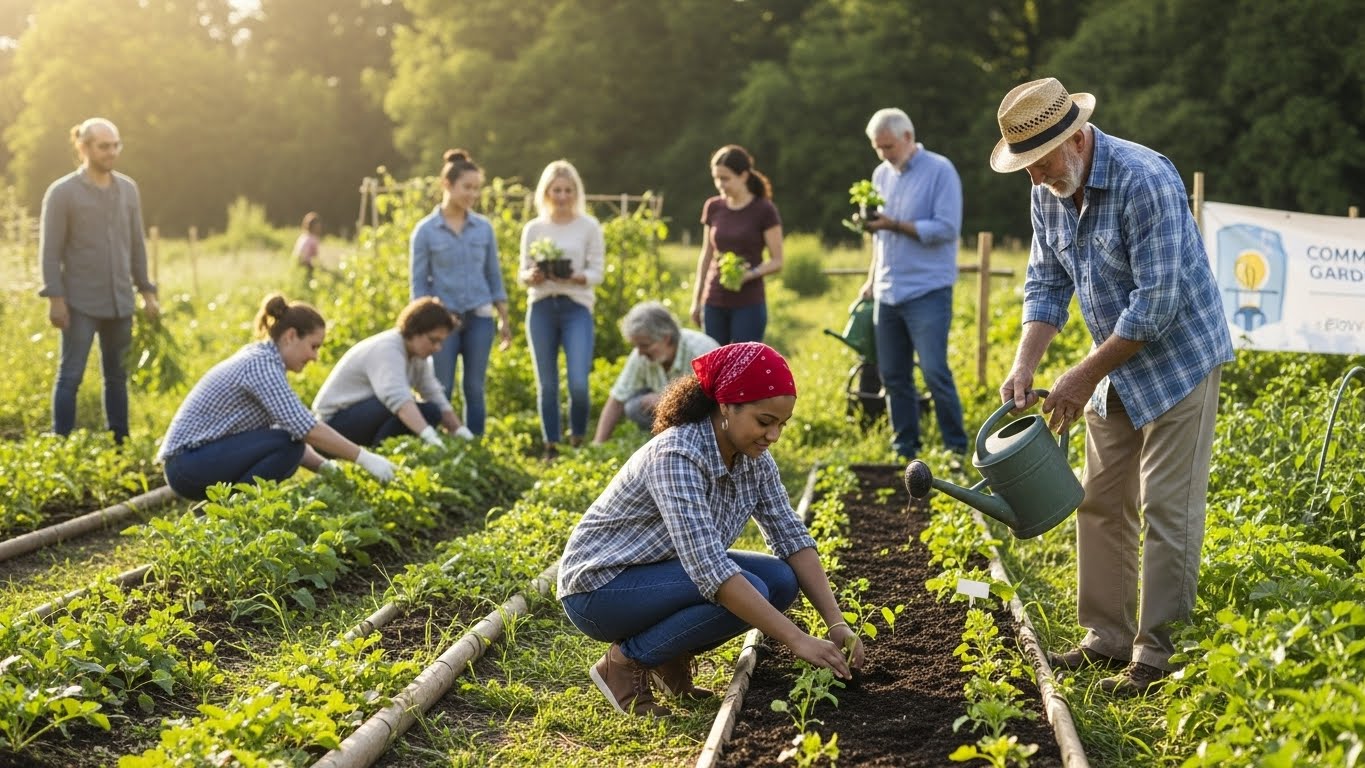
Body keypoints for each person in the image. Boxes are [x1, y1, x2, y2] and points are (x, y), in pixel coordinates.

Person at [989, 78, 1233, 695]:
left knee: (1166, 507)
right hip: (1111, 363)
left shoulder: (1144, 179)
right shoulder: (1049, 190)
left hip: (1178, 360)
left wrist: (1079, 374)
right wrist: (1026, 363)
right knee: (1100, 499)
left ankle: (1157, 653)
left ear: (1074, 139)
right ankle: (1106, 637)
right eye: (1026, 168)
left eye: (1040, 163)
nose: (1036, 177)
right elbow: (1045, 284)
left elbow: (1156, 306)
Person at [559, 342, 865, 717]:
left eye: (781, 425)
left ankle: (667, 657)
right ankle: (624, 664)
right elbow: (710, 571)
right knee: (749, 587)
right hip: (599, 589)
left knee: (781, 579)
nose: (773, 436)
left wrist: (836, 622)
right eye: (764, 422)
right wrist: (797, 640)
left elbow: (791, 536)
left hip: (661, 572)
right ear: (726, 405)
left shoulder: (754, 461)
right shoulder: (677, 455)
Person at [158, 294, 397, 501]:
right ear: (291, 336)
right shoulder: (261, 366)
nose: (315, 357)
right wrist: (364, 458)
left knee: (287, 443)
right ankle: (230, 512)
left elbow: (290, 430)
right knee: (287, 444)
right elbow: (305, 430)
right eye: (314, 346)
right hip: (186, 464)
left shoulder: (266, 361)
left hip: (194, 461)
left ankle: (222, 511)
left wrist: (328, 469)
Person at [38, 117, 159, 443]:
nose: (112, 152)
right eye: (104, 146)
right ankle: (60, 443)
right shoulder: (62, 193)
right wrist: (56, 299)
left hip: (120, 300)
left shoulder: (128, 190)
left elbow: (136, 244)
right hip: (79, 303)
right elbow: (50, 252)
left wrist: (146, 291)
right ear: (84, 147)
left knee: (117, 377)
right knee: (71, 375)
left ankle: (120, 441)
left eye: (116, 145)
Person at [858, 108, 968, 461]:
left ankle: (955, 447)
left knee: (935, 371)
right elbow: (880, 239)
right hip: (888, 291)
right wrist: (872, 279)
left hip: (927, 290)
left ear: (907, 137)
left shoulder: (940, 170)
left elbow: (947, 228)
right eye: (878, 148)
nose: (883, 154)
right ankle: (905, 447)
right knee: (893, 375)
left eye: (888, 146)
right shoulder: (880, 175)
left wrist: (895, 224)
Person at [410, 149, 512, 436]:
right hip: (443, 321)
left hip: (480, 315)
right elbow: (419, 285)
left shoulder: (484, 228)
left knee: (474, 387)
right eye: (467, 187)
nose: (472, 194)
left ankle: (473, 445)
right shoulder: (426, 231)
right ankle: (436, 442)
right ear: (447, 185)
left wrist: (504, 318)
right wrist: (424, 324)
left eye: (476, 188)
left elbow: (493, 275)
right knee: (439, 385)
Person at [518, 160, 605, 460]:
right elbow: (523, 272)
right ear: (546, 192)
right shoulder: (534, 228)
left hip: (576, 307)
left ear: (576, 192)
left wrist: (576, 277)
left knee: (579, 382)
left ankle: (578, 438)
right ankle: (551, 445)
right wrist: (533, 276)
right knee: (547, 382)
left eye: (568, 190)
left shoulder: (589, 226)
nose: (563, 196)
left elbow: (597, 272)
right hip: (541, 306)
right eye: (557, 190)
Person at [312, 297, 475, 448]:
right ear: (415, 330)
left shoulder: (418, 357)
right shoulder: (388, 349)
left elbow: (433, 394)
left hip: (362, 416)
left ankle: (386, 456)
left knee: (431, 411)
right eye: (433, 340)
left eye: (441, 342)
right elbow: (397, 399)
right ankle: (382, 456)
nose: (437, 348)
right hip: (331, 425)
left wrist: (460, 431)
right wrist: (429, 436)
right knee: (396, 406)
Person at [689, 145, 783, 345]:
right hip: (713, 300)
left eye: (725, 178)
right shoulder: (713, 207)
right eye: (716, 178)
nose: (720, 184)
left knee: (743, 368)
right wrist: (696, 301)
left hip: (748, 303)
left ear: (744, 175)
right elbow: (706, 255)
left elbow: (777, 261)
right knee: (713, 368)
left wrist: (750, 274)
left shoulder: (764, 209)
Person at [592, 301, 718, 444]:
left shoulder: (702, 351)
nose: (639, 352)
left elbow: (716, 404)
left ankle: (691, 441)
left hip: (703, 416)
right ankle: (663, 439)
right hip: (674, 412)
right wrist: (598, 442)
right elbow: (617, 398)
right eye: (636, 346)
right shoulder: (641, 354)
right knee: (633, 406)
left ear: (666, 338)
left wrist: (665, 401)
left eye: (644, 345)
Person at [293, 211, 322, 283]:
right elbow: (315, 257)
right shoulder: (313, 239)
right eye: (318, 225)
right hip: (305, 264)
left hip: (296, 262)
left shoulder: (303, 236)